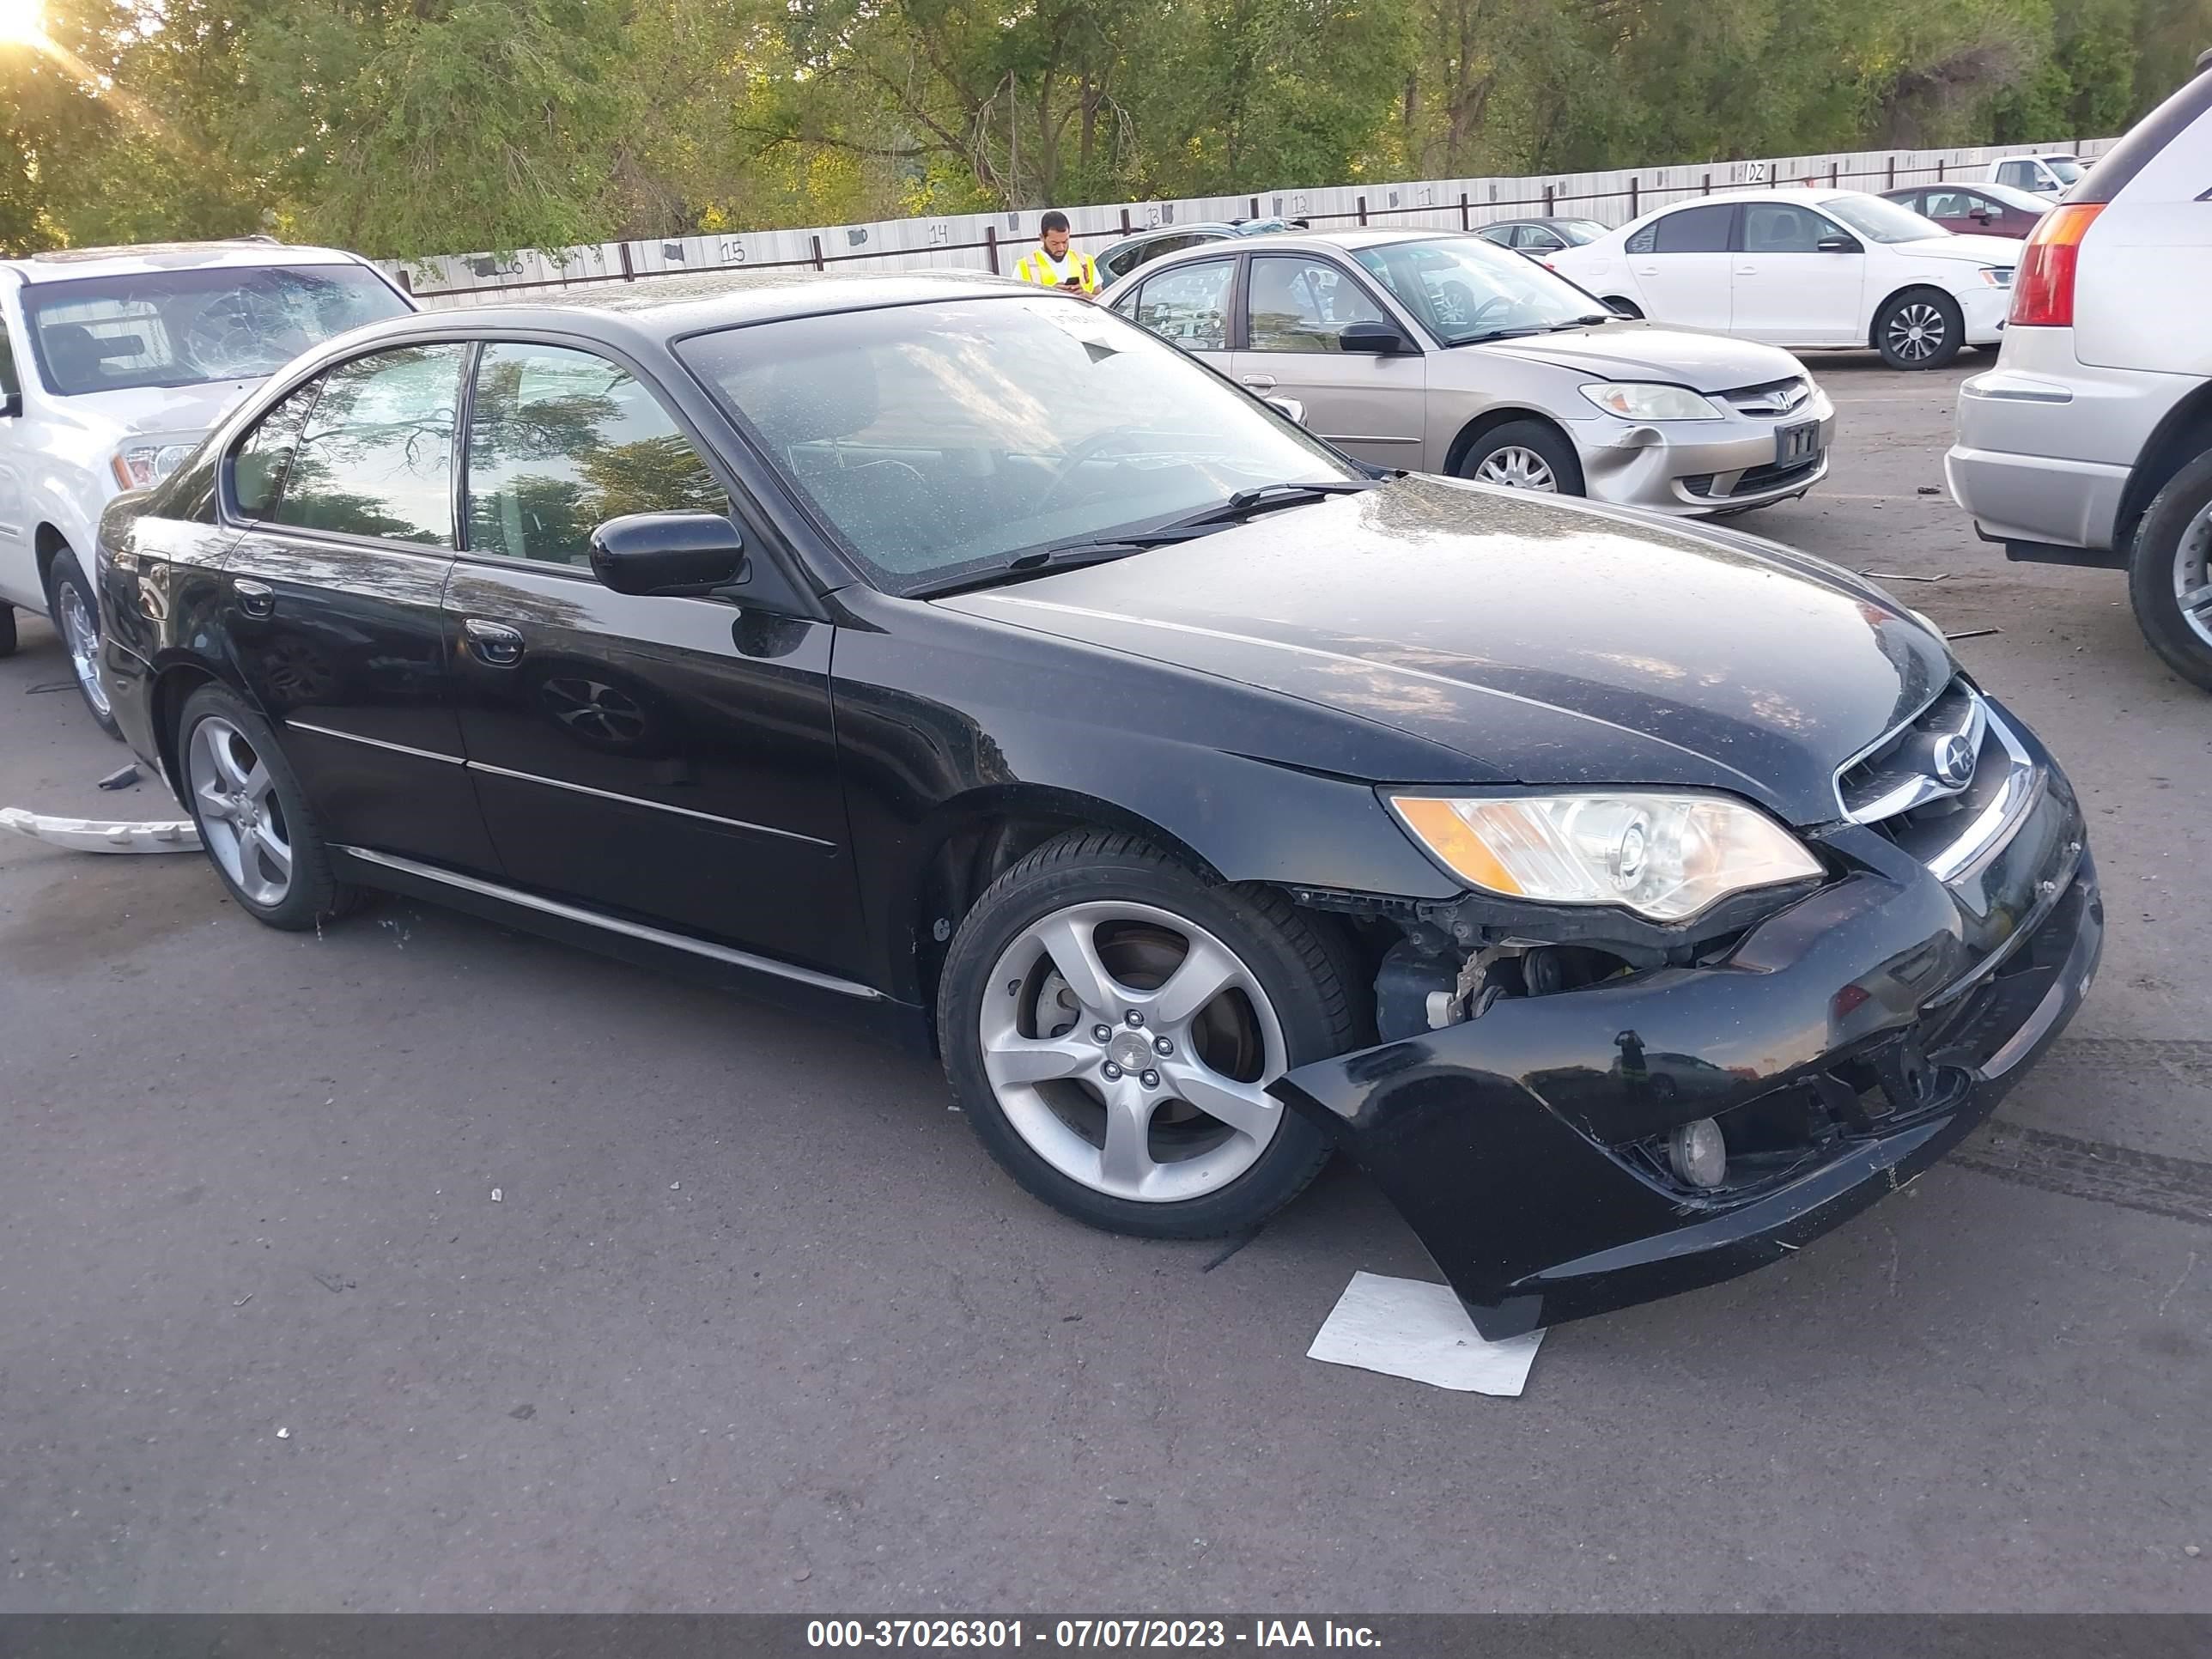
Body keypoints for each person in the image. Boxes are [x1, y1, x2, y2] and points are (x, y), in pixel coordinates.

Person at [1012, 210, 1098, 296]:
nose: (1061, 248)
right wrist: (1050, 295)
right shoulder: (1024, 267)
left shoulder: (1085, 261)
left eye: (1065, 242)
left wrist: (1085, 296)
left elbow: (1103, 301)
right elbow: (1016, 304)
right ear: (1042, 238)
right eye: (1054, 243)